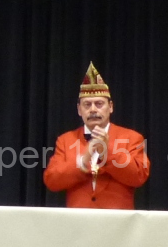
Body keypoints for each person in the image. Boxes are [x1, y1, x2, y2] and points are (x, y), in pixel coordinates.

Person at [42, 63, 149, 210]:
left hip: (118, 220)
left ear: (110, 107)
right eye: (87, 105)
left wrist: (107, 152)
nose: (93, 109)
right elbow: (52, 181)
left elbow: (139, 177)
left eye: (99, 104)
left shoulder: (132, 138)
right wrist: (83, 160)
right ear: (79, 110)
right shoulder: (65, 140)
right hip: (78, 219)